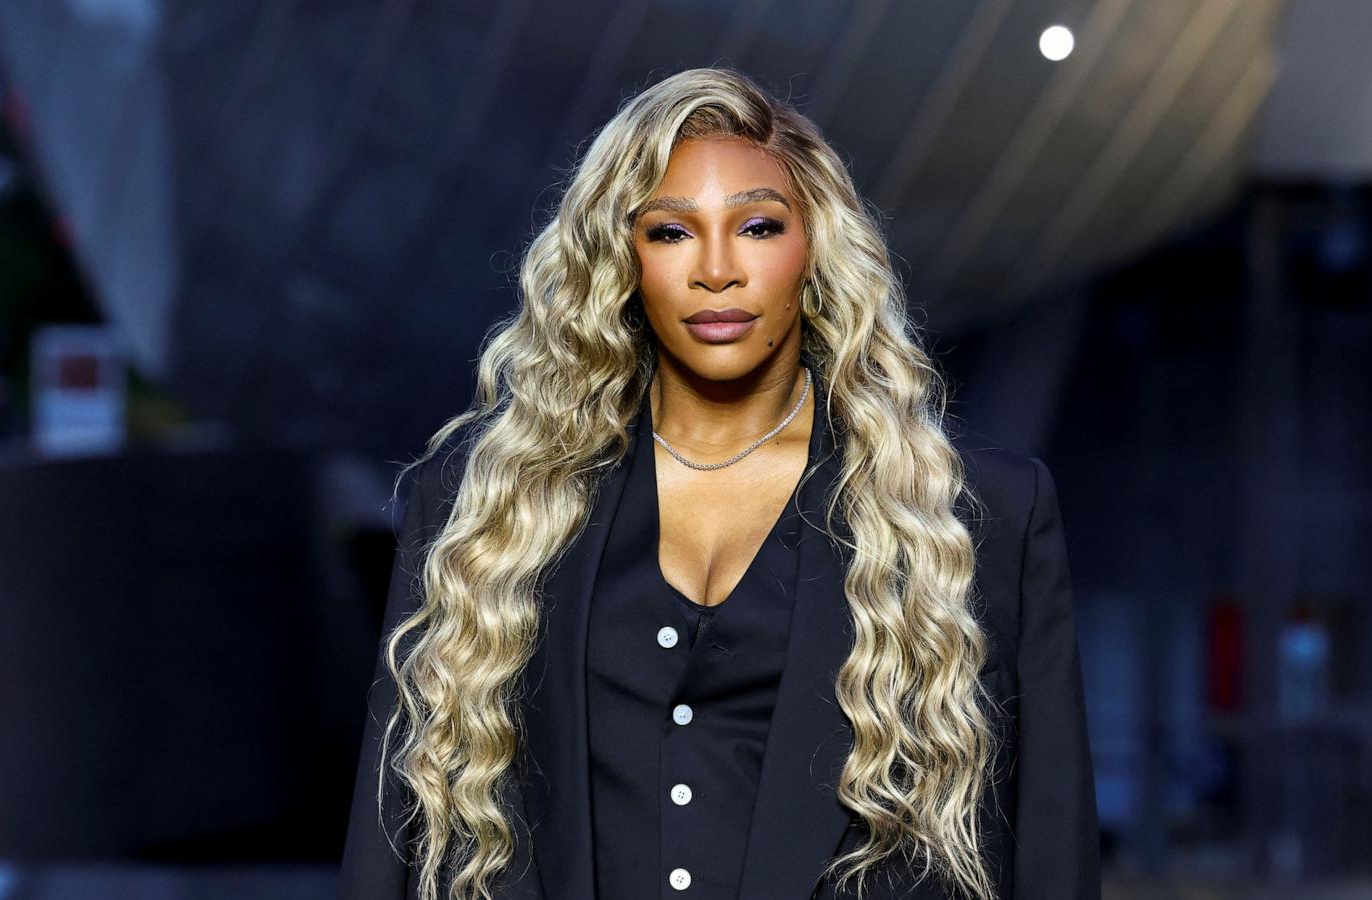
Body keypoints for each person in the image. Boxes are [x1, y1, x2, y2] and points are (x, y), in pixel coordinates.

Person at [338, 66, 1099, 900]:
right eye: (670, 232)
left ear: (815, 250)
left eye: (759, 227)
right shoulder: (488, 504)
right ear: (621, 259)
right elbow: (394, 834)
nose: (716, 270)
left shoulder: (972, 515)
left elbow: (1050, 847)